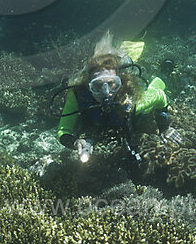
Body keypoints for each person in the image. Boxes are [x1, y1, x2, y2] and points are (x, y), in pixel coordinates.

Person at [56, 34, 180, 165]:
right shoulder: (78, 95)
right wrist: (75, 142)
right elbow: (63, 131)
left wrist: (164, 127)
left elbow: (159, 95)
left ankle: (164, 73)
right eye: (97, 86)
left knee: (152, 85)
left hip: (128, 82)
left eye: (111, 83)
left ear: (120, 83)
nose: (106, 92)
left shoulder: (132, 102)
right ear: (88, 86)